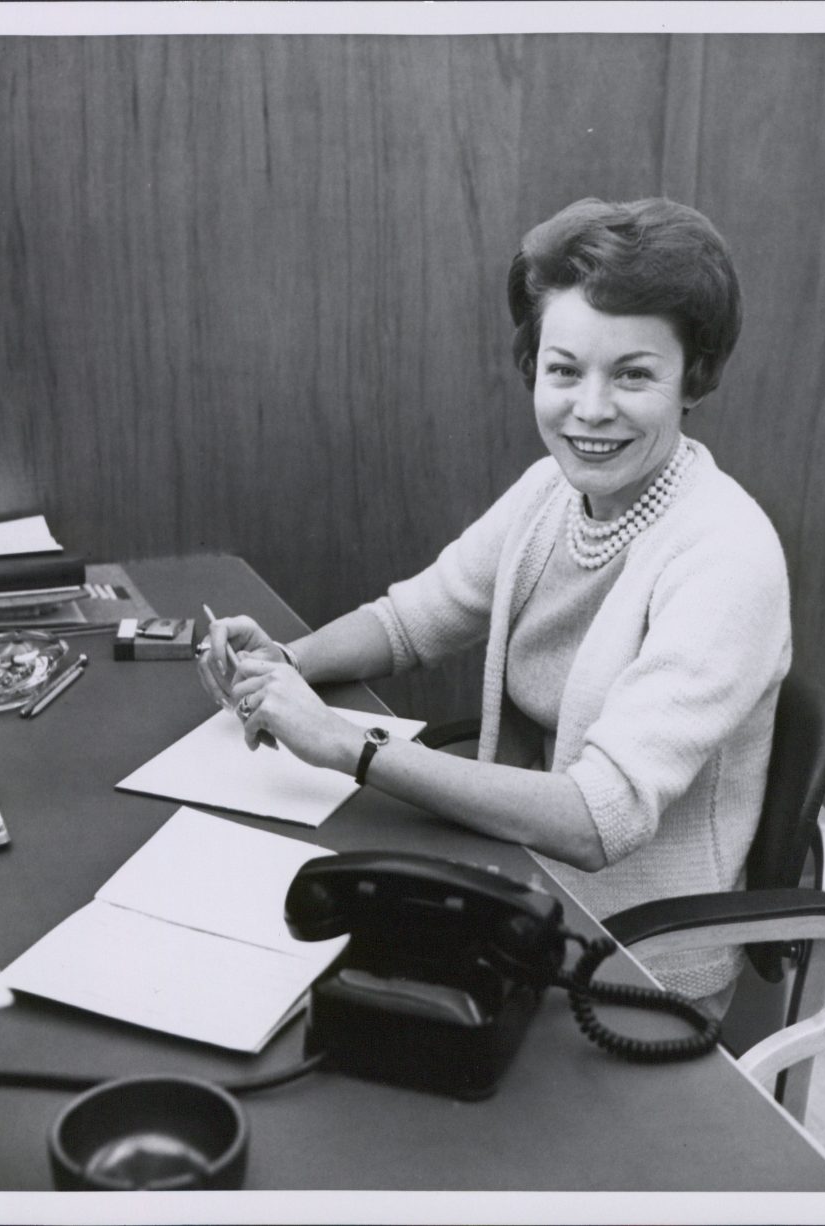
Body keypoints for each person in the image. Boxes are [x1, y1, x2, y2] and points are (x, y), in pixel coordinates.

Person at [200, 197, 790, 1011]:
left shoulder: (728, 557)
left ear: (693, 378)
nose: (589, 409)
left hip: (628, 971)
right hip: (513, 897)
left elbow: (597, 819)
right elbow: (413, 620)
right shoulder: (552, 492)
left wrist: (347, 744)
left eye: (633, 374)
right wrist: (282, 667)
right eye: (564, 369)